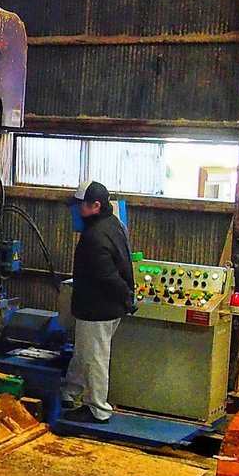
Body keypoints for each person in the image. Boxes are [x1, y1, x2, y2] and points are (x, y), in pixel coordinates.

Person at [61, 178, 136, 424]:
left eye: (81, 205)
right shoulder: (115, 224)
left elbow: (107, 276)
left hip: (98, 309)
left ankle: (98, 410)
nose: (77, 209)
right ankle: (70, 392)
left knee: (95, 360)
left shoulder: (94, 236)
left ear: (96, 205)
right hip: (106, 308)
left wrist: (126, 298)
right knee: (83, 353)